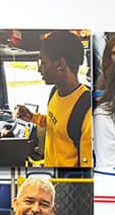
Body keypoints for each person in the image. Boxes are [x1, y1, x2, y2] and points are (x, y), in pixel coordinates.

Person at [14, 31, 92, 167]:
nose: (39, 69)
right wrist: (33, 117)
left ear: (60, 64)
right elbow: (55, 124)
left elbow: (87, 168)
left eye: (43, 62)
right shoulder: (55, 92)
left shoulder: (86, 108)